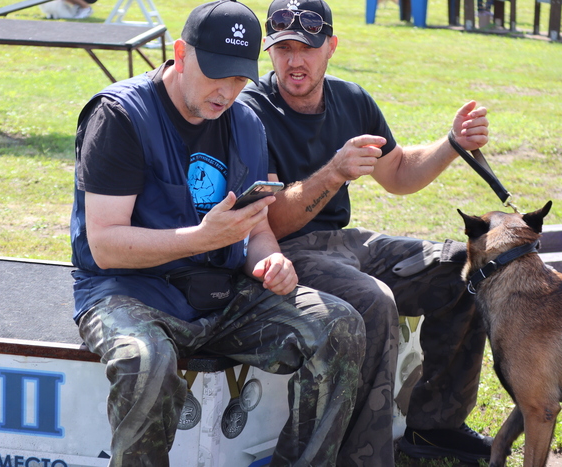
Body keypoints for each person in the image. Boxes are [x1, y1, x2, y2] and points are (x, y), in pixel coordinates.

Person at [69, 1, 367, 465]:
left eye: (239, 78)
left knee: (339, 324)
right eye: (216, 74)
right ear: (180, 53)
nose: (226, 91)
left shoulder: (246, 123)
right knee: (144, 360)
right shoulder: (121, 116)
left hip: (219, 295)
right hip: (128, 292)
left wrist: (270, 261)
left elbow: (257, 228)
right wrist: (201, 238)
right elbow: (105, 246)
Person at [238, 0, 493, 464]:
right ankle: (362, 457)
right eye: (284, 49)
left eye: (307, 48)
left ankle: (435, 427)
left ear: (331, 47)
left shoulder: (351, 99)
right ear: (269, 51)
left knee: (464, 266)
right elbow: (269, 224)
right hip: (284, 252)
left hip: (344, 243)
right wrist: (333, 173)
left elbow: (398, 173)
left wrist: (452, 143)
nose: (295, 61)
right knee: (372, 299)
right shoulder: (250, 111)